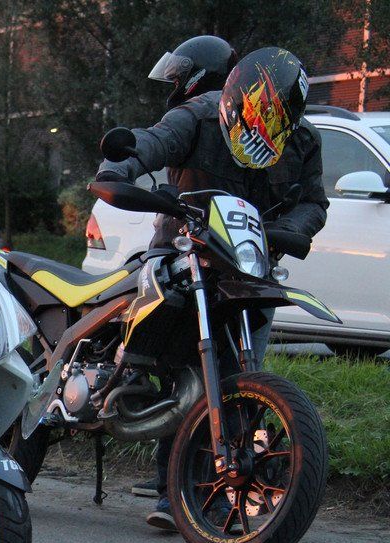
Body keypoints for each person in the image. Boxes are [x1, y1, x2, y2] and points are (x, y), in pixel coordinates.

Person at [97, 47, 328, 530]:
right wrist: (120, 168)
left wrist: (291, 229)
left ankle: (197, 492)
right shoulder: (198, 116)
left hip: (248, 269)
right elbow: (153, 142)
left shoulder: (302, 140)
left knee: (239, 377)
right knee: (176, 365)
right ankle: (121, 388)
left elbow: (313, 202)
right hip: (181, 255)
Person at [131, 35, 241, 499]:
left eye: (179, 74)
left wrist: (119, 163)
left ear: (198, 76)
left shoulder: (194, 112)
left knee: (174, 366)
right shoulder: (261, 119)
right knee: (227, 373)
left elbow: (152, 142)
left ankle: (172, 487)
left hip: (183, 255)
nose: (173, 83)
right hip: (242, 263)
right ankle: (183, 484)